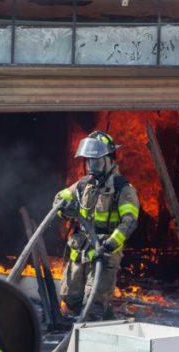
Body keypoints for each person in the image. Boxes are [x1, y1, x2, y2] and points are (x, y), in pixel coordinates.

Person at [54, 131, 140, 319]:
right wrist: (65, 208)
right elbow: (59, 200)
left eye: (97, 161)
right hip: (80, 253)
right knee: (70, 301)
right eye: (89, 161)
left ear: (110, 160)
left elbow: (130, 221)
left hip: (104, 256)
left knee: (93, 307)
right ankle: (79, 333)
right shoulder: (83, 185)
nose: (92, 167)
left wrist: (110, 243)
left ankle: (96, 330)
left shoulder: (122, 188)